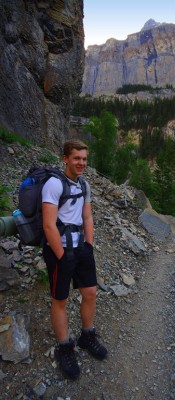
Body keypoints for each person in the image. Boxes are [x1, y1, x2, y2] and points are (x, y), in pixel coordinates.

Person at [42, 139, 107, 380]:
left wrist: (88, 245)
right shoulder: (53, 184)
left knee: (90, 292)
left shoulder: (84, 185)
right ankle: (64, 347)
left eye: (84, 159)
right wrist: (61, 255)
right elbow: (48, 224)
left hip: (80, 248)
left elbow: (87, 216)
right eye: (76, 158)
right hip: (59, 250)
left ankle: (87, 335)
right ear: (65, 158)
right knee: (60, 299)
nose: (81, 163)